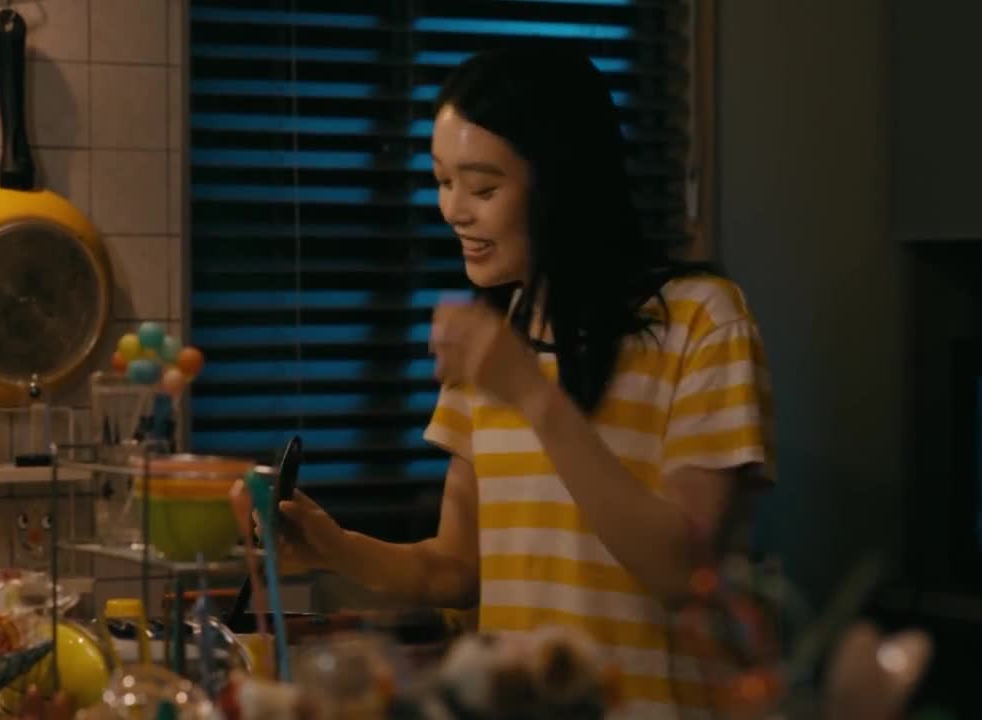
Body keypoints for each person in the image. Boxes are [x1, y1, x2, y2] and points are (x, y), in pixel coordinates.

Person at [268, 47, 775, 718]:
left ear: (561, 185)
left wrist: (533, 394)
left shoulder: (700, 320)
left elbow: (685, 572)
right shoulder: (495, 338)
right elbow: (457, 569)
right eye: (442, 181)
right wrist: (336, 548)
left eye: (482, 188)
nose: (454, 210)